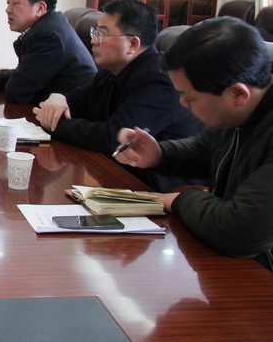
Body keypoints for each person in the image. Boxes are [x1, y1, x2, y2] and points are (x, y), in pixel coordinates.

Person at [115, 17, 273, 269]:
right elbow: (206, 150)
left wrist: (178, 200)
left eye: (190, 98)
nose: (182, 104)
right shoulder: (236, 111)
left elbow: (239, 230)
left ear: (238, 94)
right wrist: (160, 154)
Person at [32, 0, 200, 191]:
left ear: (133, 44)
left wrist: (55, 124)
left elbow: (115, 139)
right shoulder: (111, 72)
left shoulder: (158, 81)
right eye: (94, 32)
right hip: (118, 176)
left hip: (158, 190)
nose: (93, 41)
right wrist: (59, 98)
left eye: (102, 34)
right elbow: (77, 102)